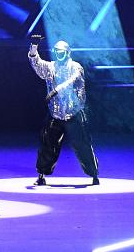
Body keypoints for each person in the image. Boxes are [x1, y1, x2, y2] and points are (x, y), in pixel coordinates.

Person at [29, 35, 99, 185]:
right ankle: (41, 175)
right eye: (57, 52)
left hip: (74, 112)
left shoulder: (76, 67)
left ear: (68, 52)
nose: (59, 55)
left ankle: (93, 174)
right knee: (47, 145)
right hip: (55, 113)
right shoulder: (51, 67)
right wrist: (34, 47)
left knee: (83, 145)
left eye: (61, 52)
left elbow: (72, 80)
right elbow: (37, 64)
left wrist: (56, 90)